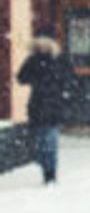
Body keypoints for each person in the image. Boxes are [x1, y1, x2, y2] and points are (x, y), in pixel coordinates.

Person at [15, 29, 75, 186]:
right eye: (38, 44)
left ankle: (50, 174)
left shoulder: (60, 60)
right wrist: (36, 78)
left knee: (49, 139)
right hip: (37, 104)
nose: (41, 47)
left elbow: (69, 79)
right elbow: (21, 78)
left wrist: (58, 89)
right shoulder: (33, 60)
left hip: (53, 104)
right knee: (40, 141)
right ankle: (46, 169)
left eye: (44, 44)